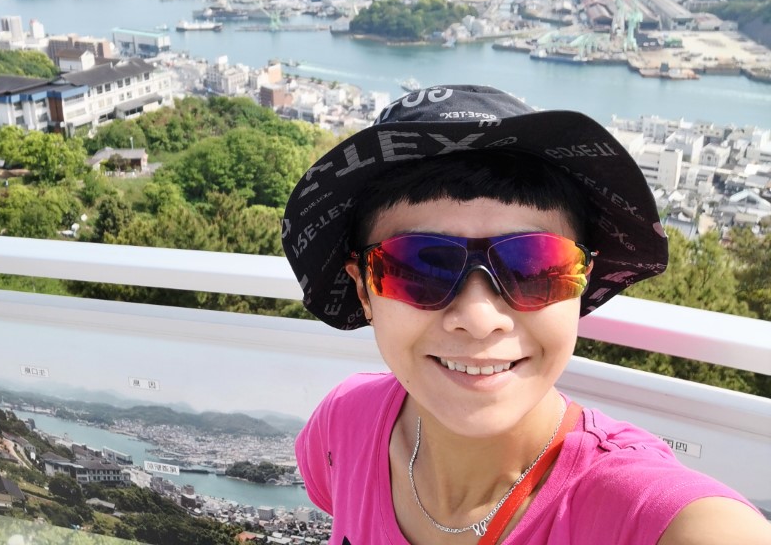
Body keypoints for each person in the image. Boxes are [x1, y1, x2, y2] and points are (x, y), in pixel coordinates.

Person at [281, 85, 770, 544]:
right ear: (364, 290)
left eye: (535, 266)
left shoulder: (637, 510)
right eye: (419, 266)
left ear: (581, 282)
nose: (478, 317)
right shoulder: (345, 423)